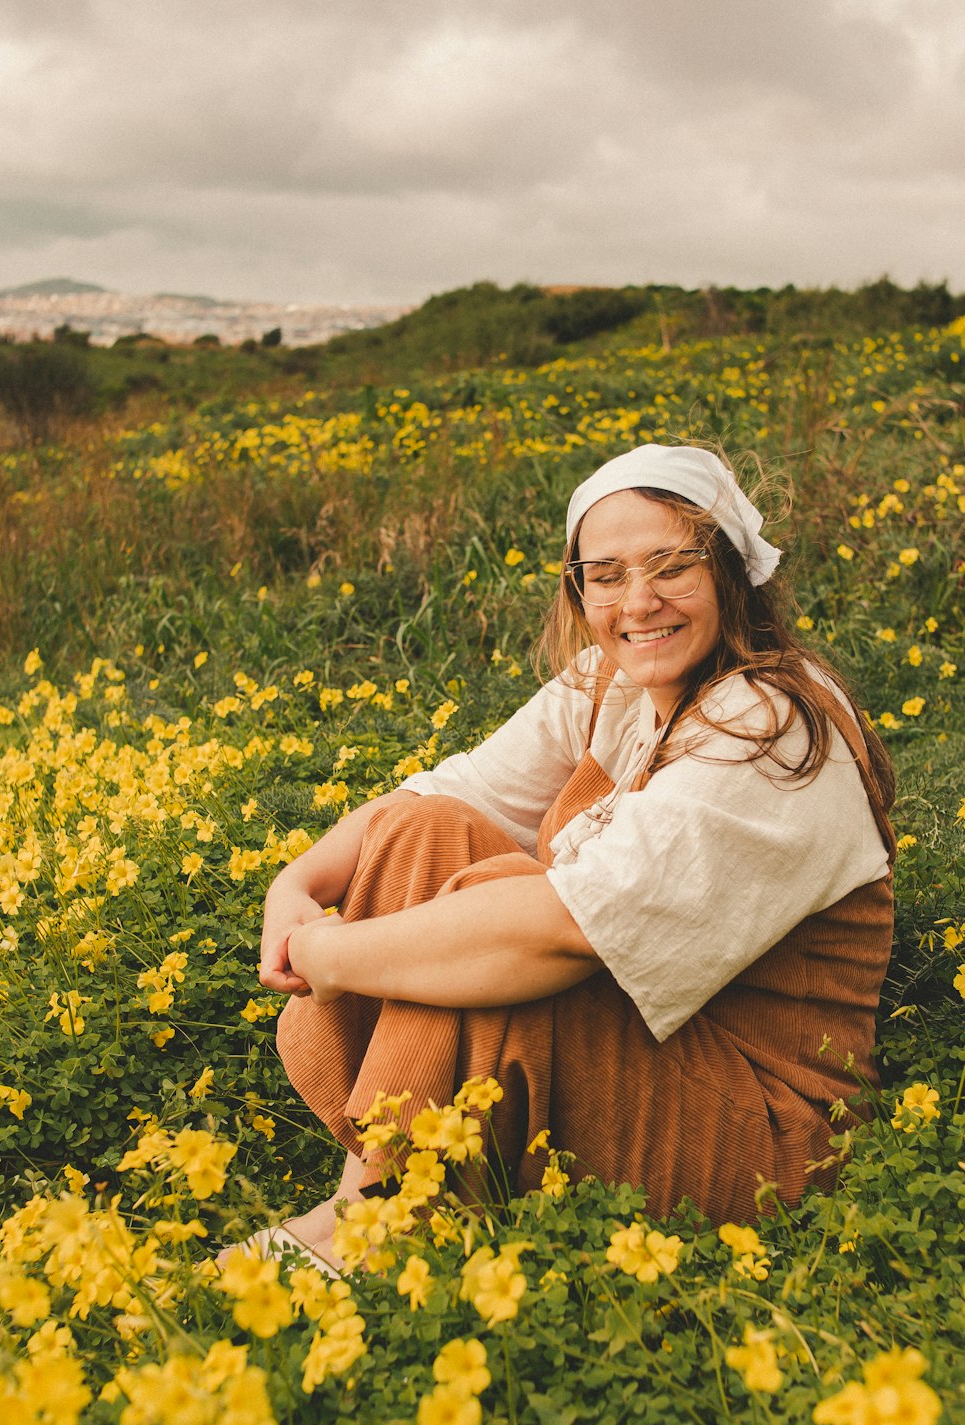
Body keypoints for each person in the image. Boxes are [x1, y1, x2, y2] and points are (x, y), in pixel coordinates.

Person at [249, 442, 894, 1266]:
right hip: (657, 1046)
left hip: (761, 1128)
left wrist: (330, 953)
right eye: (608, 574)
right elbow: (439, 797)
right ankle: (369, 1201)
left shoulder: (772, 723)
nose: (639, 601)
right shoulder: (616, 685)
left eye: (672, 566)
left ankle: (378, 1233)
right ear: (578, 587)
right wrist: (294, 883)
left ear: (730, 573)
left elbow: (563, 932)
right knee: (432, 836)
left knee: (502, 926)